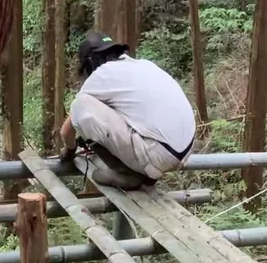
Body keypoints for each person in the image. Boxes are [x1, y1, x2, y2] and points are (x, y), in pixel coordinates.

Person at [58, 31, 196, 189]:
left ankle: (127, 173)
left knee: (80, 105)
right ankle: (145, 171)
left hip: (159, 154)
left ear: (89, 62)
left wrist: (70, 150)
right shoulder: (143, 65)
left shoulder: (102, 74)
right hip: (185, 151)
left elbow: (67, 130)